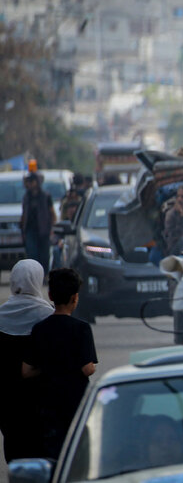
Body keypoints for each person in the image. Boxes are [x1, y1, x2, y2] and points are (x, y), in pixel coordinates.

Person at [22, 268, 98, 459]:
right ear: (75, 298)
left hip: (48, 402)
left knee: (52, 453)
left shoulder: (39, 329)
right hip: (75, 401)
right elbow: (87, 369)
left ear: (50, 295)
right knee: (77, 453)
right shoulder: (81, 329)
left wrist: (50, 367)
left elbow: (26, 371)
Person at [0, 260, 54, 460]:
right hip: (41, 399)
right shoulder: (48, 316)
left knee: (15, 449)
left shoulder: (1, 316)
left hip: (8, 399)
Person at [21, 172, 57, 275]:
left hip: (44, 230)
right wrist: (23, 229)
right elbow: (24, 214)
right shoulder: (26, 197)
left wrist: (52, 229)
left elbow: (52, 213)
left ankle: (44, 274)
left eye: (32, 182)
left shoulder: (45, 196)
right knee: (32, 254)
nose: (30, 184)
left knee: (44, 255)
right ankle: (34, 275)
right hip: (30, 230)